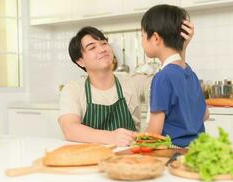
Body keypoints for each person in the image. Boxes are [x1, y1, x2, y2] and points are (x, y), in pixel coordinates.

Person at [59, 22, 194, 146]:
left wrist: (179, 50)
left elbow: (174, 81)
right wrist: (111, 137)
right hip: (89, 160)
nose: (102, 49)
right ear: (80, 61)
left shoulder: (133, 82)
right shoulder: (72, 90)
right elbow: (70, 129)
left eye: (104, 43)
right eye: (92, 47)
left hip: (129, 159)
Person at [141, 5, 209, 147]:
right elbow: (205, 115)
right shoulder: (191, 74)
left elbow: (155, 131)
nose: (142, 40)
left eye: (142, 35)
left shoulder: (162, 78)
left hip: (172, 151)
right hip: (196, 150)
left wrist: (137, 141)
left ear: (155, 38)